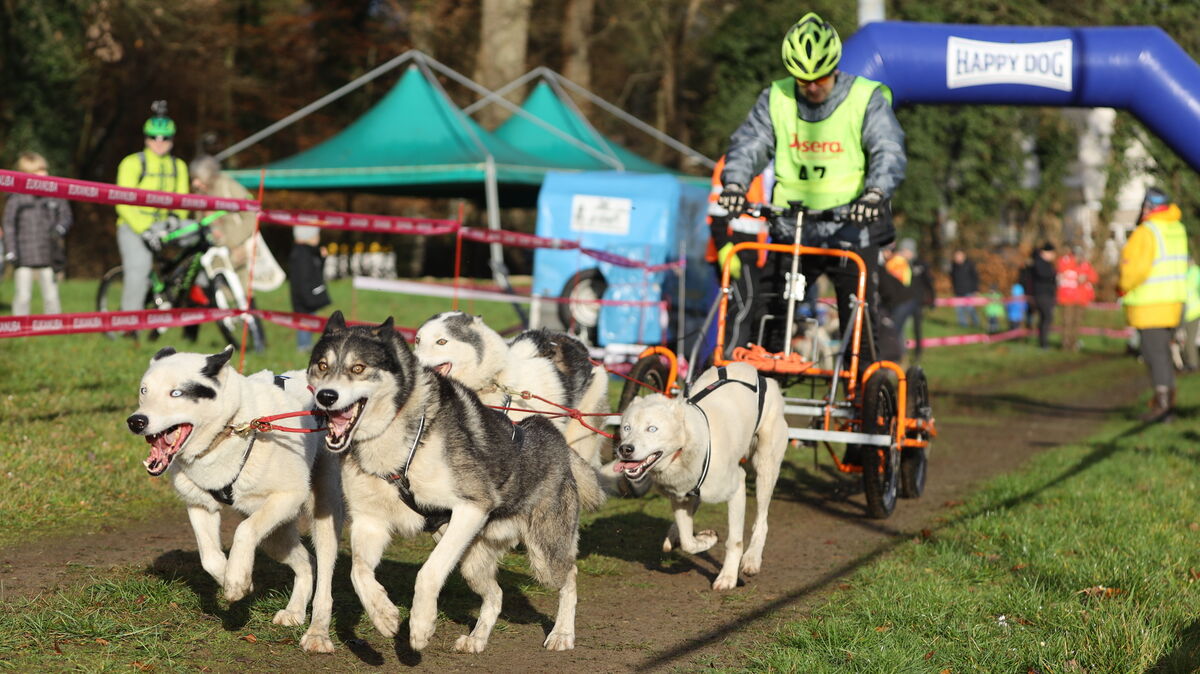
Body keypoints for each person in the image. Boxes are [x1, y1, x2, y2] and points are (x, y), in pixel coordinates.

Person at [717, 11, 906, 363]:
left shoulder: (864, 98)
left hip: (852, 226)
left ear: (834, 68)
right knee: (769, 317)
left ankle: (862, 388)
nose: (812, 87)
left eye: (819, 78)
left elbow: (888, 150)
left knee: (858, 324)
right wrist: (735, 184)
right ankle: (764, 382)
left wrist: (875, 193)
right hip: (793, 227)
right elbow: (750, 144)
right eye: (803, 80)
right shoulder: (776, 98)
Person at [1119, 187, 1189, 422]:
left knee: (1154, 356)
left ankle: (1162, 407)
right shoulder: (1177, 228)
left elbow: (1134, 269)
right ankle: (1168, 403)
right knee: (1164, 355)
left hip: (1151, 306)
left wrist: (1122, 284)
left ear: (1147, 206)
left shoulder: (1147, 231)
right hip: (1175, 302)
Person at [114, 101, 189, 316]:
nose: (159, 142)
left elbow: (183, 199)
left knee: (202, 238)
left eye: (165, 138)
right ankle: (130, 324)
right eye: (154, 137)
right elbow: (123, 203)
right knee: (139, 271)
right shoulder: (132, 163)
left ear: (172, 140)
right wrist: (144, 230)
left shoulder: (179, 166)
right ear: (146, 138)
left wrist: (175, 218)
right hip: (134, 227)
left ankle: (197, 299)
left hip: (165, 225)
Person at [707, 154, 773, 354]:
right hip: (735, 249)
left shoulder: (766, 165)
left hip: (755, 253)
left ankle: (740, 358)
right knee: (743, 307)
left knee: (752, 308)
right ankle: (728, 361)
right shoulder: (733, 161)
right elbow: (716, 208)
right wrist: (724, 247)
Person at [2, 152, 72, 315]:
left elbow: (66, 215)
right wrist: (10, 250)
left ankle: (53, 324)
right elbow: (9, 225)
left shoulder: (54, 194)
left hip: (49, 255)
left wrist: (59, 229)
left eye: (44, 169)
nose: (44, 174)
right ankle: (19, 325)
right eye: (38, 171)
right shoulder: (16, 198)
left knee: (51, 296)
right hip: (23, 256)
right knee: (23, 296)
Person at [189, 155, 258, 290]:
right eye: (193, 179)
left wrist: (232, 242)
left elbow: (251, 217)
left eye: (198, 178)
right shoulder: (200, 192)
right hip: (214, 253)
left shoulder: (229, 186)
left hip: (237, 250)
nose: (195, 184)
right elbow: (200, 222)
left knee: (242, 292)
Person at [289, 225, 331, 351]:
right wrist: (308, 298)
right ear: (308, 237)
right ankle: (303, 346)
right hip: (304, 298)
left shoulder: (308, 252)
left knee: (309, 322)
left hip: (307, 297)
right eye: (316, 235)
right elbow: (303, 279)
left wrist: (322, 258)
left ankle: (306, 345)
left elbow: (316, 272)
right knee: (304, 323)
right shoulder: (302, 255)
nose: (318, 238)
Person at [1056, 245, 1098, 351]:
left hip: (1080, 299)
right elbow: (1062, 272)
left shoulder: (1085, 265)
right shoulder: (1065, 261)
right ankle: (1065, 344)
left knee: (1076, 323)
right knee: (1067, 322)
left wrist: (1086, 277)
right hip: (1067, 298)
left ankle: (1073, 343)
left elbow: (1094, 277)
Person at [1029, 243, 1058, 349]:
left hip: (1047, 294)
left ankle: (1043, 341)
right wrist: (1055, 276)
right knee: (1047, 317)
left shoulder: (1047, 264)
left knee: (1045, 318)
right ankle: (1043, 342)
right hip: (1042, 294)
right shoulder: (1039, 263)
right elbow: (1044, 275)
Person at [949, 249, 981, 328]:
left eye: (959, 256)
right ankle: (963, 325)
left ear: (963, 256)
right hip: (958, 291)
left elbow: (975, 277)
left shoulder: (969, 265)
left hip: (969, 291)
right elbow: (952, 278)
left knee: (970, 309)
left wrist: (976, 289)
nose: (957, 258)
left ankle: (976, 323)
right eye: (956, 257)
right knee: (959, 310)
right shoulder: (954, 266)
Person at [1181, 260, 1200, 372]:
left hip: (1193, 313)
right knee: (1187, 340)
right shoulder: (1187, 272)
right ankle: (1190, 362)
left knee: (1190, 340)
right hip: (1187, 314)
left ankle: (1193, 364)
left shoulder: (1194, 272)